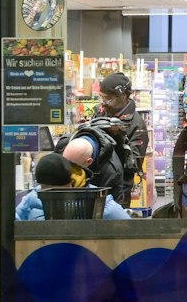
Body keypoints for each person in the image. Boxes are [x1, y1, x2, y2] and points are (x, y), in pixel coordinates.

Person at [62, 72, 148, 207]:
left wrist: (117, 143)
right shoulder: (100, 113)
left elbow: (134, 165)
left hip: (118, 190)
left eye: (108, 98)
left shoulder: (137, 124)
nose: (103, 103)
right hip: (93, 183)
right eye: (101, 97)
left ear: (123, 96)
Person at [16, 151, 132, 221]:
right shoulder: (32, 199)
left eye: (57, 192)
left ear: (70, 184)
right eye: (45, 191)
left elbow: (129, 230)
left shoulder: (98, 203)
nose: (50, 198)